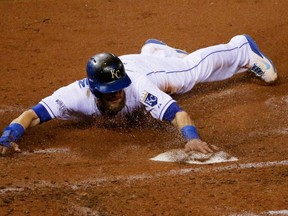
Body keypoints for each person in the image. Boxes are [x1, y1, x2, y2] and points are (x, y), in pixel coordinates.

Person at [0, 34, 277, 155]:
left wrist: (192, 139)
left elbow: (177, 113)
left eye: (119, 91)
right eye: (110, 94)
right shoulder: (74, 95)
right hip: (127, 66)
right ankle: (155, 50)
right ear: (95, 90)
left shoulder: (137, 86)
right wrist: (11, 134)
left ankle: (240, 48)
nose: (117, 96)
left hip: (145, 70)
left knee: (189, 72)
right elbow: (33, 115)